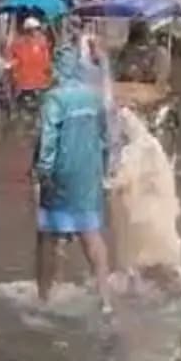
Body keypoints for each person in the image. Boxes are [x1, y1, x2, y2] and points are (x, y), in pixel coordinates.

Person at [32, 48, 114, 310]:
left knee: (47, 235)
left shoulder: (54, 99)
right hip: (89, 172)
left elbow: (48, 139)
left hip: (62, 171)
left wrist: (43, 171)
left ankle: (44, 296)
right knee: (91, 232)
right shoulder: (94, 97)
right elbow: (106, 139)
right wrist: (104, 169)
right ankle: (105, 297)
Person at [5, 16, 53, 101]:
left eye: (38, 29)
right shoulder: (20, 43)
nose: (36, 31)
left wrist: (48, 72)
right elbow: (16, 58)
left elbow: (46, 59)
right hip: (26, 81)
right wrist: (10, 65)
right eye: (34, 29)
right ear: (27, 30)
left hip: (41, 80)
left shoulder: (42, 41)